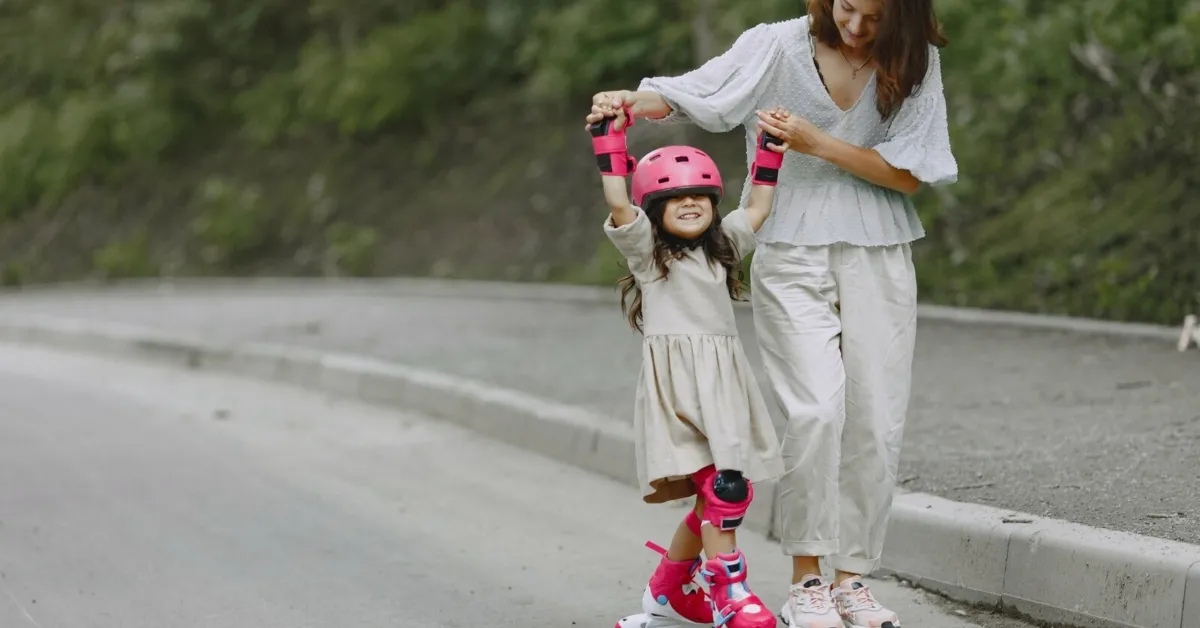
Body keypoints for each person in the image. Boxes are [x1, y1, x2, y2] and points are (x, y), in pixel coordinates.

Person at [586, 1, 957, 627]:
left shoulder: (915, 58)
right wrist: (631, 101)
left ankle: (852, 580)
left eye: (873, 16)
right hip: (788, 246)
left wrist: (817, 143)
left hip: (880, 250)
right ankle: (807, 580)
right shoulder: (777, 45)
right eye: (846, 7)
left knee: (876, 421)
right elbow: (701, 94)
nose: (855, 27)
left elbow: (908, 175)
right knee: (814, 412)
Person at [588, 104, 789, 628]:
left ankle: (666, 590)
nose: (690, 203)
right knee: (725, 490)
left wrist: (769, 150)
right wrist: (609, 144)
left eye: (700, 195)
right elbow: (618, 202)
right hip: (678, 397)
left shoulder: (723, 248)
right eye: (675, 197)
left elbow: (758, 205)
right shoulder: (648, 254)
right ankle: (731, 595)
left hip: (722, 391)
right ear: (654, 208)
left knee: (712, 500)